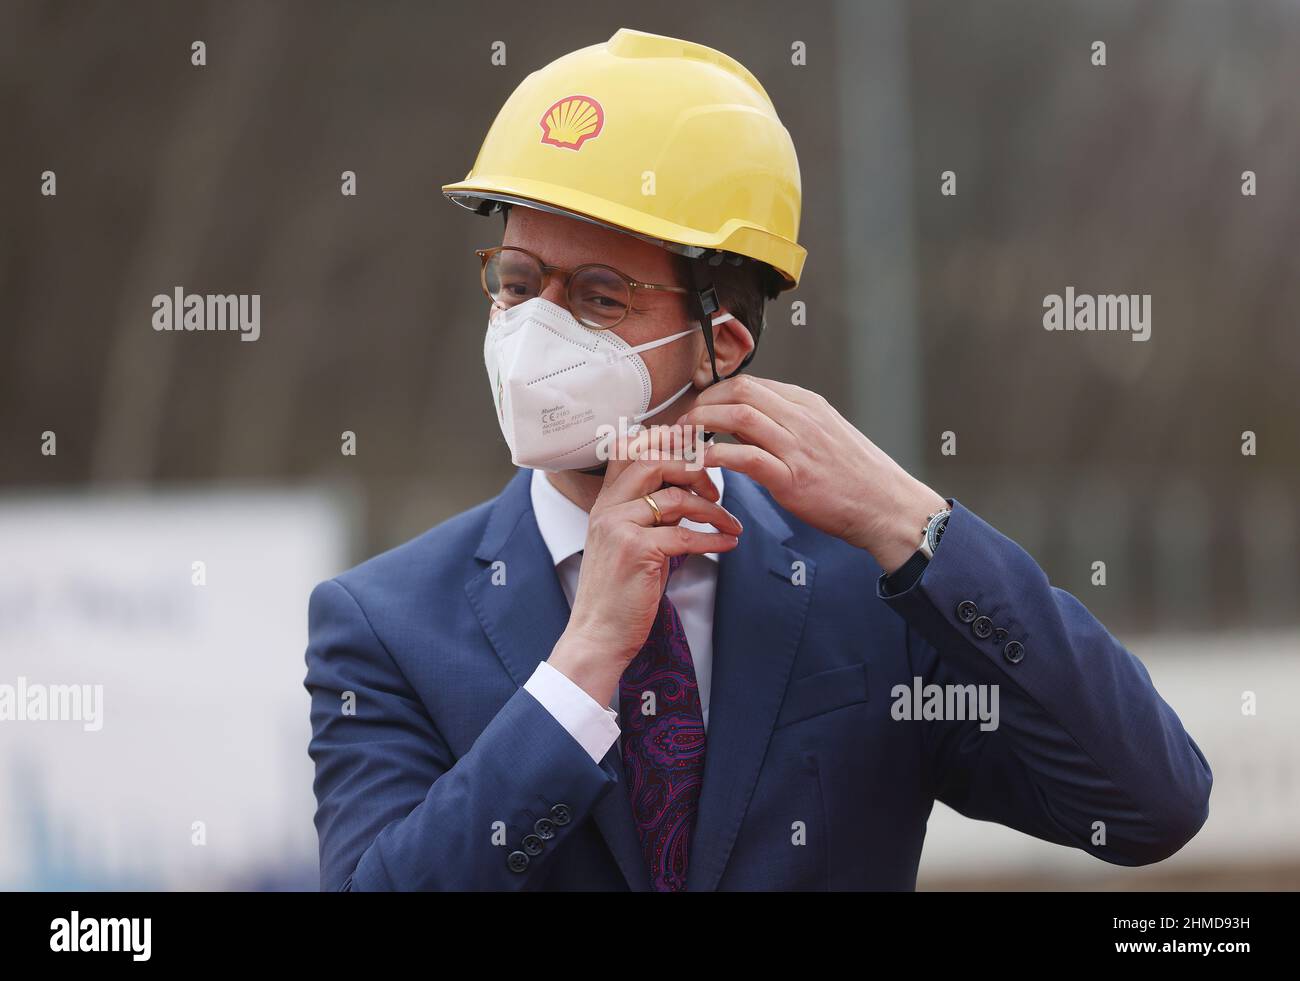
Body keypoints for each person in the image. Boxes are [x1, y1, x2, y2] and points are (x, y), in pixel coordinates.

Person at [304, 28, 1211, 891]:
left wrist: (912, 522)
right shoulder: (384, 623)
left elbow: (1149, 804)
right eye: (516, 281)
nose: (534, 325)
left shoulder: (872, 590)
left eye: (598, 296)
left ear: (719, 344)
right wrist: (581, 666)